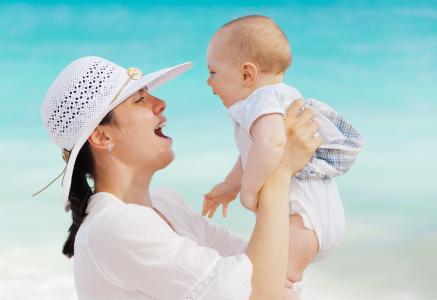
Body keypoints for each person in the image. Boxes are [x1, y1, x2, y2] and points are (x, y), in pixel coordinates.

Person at [37, 56, 322, 299]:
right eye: (140, 99)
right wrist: (279, 169)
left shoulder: (165, 203)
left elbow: (271, 271)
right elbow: (260, 292)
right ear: (102, 136)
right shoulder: (114, 227)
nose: (160, 103)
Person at [202, 15, 363, 293]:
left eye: (213, 72)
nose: (208, 82)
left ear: (247, 74)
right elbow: (253, 153)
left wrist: (249, 191)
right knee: (278, 281)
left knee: (273, 282)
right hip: (318, 217)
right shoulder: (282, 96)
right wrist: (230, 185)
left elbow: (273, 144)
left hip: (301, 217)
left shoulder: (260, 99)